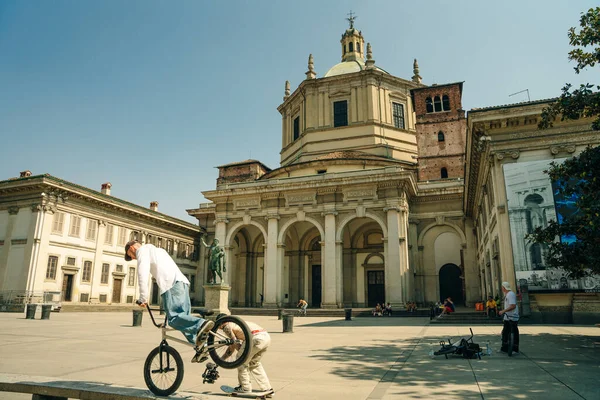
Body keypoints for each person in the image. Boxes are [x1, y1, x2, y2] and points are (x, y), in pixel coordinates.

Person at [126, 240, 214, 362]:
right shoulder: (159, 251)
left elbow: (142, 274)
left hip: (170, 286)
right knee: (184, 320)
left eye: (131, 256)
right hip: (183, 284)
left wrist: (143, 298)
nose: (134, 258)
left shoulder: (142, 251)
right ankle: (201, 347)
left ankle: (201, 323)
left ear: (131, 248)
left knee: (174, 320)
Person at [217, 313, 274, 396]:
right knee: (254, 363)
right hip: (266, 337)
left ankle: (245, 388)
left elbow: (234, 344)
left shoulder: (226, 326)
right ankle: (267, 388)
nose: (220, 329)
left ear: (221, 322)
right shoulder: (239, 323)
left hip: (254, 338)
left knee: (241, 362)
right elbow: (236, 346)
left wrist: (220, 360)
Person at [499, 282, 520, 354]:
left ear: (504, 288)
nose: (502, 289)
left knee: (513, 332)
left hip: (512, 317)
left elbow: (513, 306)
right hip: (508, 317)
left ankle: (515, 349)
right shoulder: (507, 294)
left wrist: (503, 311)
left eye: (502, 287)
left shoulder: (510, 294)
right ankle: (505, 348)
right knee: (505, 332)